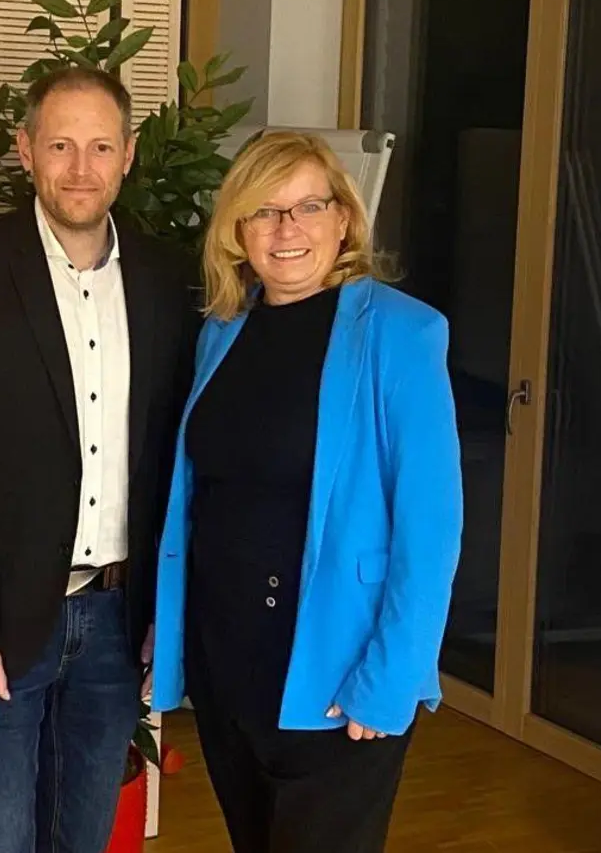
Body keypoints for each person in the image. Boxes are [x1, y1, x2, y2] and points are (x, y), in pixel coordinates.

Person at [0, 66, 197, 853]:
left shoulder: (171, 279)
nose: (80, 167)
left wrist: (166, 613)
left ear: (129, 154)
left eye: (101, 146)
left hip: (116, 618)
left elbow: (177, 455)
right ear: (24, 149)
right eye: (60, 144)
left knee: (83, 834)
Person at [150, 131, 464, 853]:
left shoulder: (402, 333)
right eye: (264, 211)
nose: (286, 229)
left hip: (338, 671)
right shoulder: (224, 331)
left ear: (344, 219)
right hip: (230, 664)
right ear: (237, 229)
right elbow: (204, 498)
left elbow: (431, 529)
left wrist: (389, 679)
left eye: (307, 206)